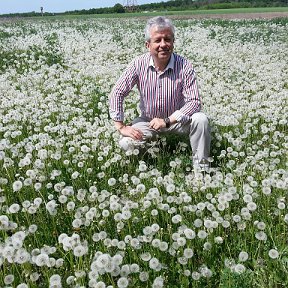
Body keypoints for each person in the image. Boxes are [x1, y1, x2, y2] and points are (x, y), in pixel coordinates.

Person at [109, 16, 211, 170]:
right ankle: (149, 163)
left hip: (177, 122)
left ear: (173, 42)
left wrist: (167, 120)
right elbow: (117, 92)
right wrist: (121, 126)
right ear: (148, 44)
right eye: (158, 40)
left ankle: (202, 171)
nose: (163, 44)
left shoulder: (184, 65)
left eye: (167, 39)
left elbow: (194, 102)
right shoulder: (138, 64)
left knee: (201, 119)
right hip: (148, 121)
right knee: (126, 143)